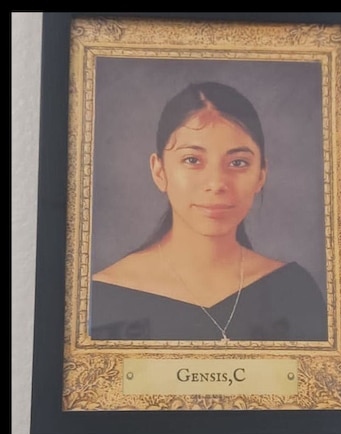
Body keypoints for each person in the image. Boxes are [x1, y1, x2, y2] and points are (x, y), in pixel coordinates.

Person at [90, 81, 328, 342]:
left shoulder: (293, 291)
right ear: (159, 171)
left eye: (238, 163)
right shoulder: (104, 297)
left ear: (261, 175)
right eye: (192, 160)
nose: (216, 184)